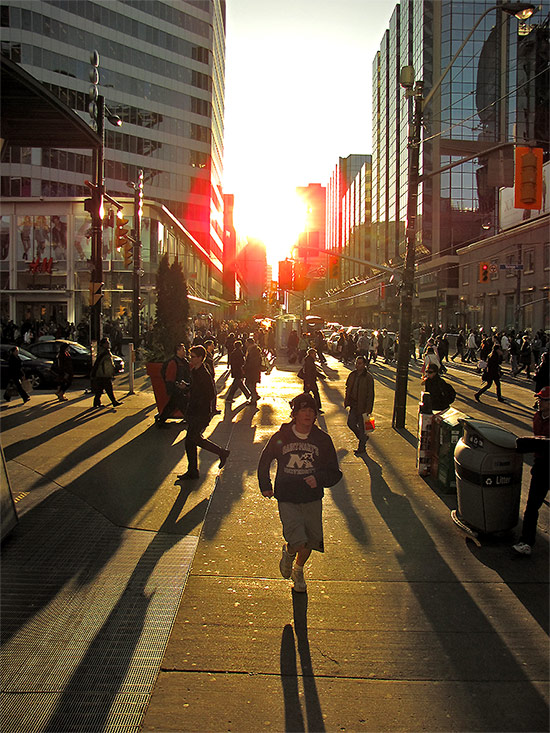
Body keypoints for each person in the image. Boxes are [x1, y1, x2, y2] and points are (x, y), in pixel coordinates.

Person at [258, 392, 342, 593]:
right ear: (294, 414)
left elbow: (334, 471)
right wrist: (265, 484)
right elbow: (265, 460)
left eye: (311, 411)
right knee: (298, 540)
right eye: (303, 410)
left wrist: (319, 479)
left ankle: (298, 569)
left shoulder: (322, 440)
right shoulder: (282, 437)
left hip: (312, 497)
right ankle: (288, 553)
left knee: (310, 541)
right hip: (287, 496)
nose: (307, 414)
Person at [179, 345, 229, 480]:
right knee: (192, 441)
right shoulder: (195, 371)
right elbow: (196, 389)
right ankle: (193, 470)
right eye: (191, 356)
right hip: (195, 411)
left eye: (193, 357)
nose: (191, 358)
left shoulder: (203, 374)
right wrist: (187, 387)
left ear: (200, 358)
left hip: (200, 413)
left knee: (192, 440)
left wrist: (198, 402)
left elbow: (210, 393)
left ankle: (221, 453)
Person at [513, 387, 550, 556]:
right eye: (539, 399)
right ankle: (526, 541)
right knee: (532, 505)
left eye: (543, 400)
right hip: (541, 465)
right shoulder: (537, 417)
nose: (539, 402)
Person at [344, 355, 375, 455]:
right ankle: (363, 438)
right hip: (353, 404)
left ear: (364, 365)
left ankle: (362, 448)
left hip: (363, 406)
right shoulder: (352, 375)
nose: (358, 365)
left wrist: (369, 409)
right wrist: (347, 401)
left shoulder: (368, 377)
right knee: (351, 423)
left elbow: (371, 394)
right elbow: (348, 388)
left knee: (363, 428)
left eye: (360, 363)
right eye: (357, 363)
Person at [155, 343, 190, 428]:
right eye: (183, 349)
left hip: (179, 387)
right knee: (181, 404)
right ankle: (190, 420)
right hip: (176, 388)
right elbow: (170, 377)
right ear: (177, 351)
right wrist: (175, 385)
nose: (185, 351)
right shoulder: (174, 362)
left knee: (173, 405)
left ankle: (161, 420)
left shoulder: (183, 361)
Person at [91, 337, 121, 408]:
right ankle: (113, 402)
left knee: (100, 389)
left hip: (104, 373)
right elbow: (99, 364)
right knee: (108, 389)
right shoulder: (103, 353)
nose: (109, 344)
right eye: (107, 342)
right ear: (103, 344)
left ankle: (96, 403)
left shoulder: (106, 352)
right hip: (103, 374)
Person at [301, 347, 325, 413]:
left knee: (307, 394)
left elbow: (313, 371)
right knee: (314, 394)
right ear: (311, 354)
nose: (315, 355)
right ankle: (317, 408)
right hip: (310, 381)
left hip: (310, 380)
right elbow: (309, 372)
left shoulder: (310, 360)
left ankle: (316, 408)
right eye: (314, 354)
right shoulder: (309, 361)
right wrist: (308, 382)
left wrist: (321, 376)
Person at [244, 336, 263, 404]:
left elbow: (252, 362)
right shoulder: (253, 349)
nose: (245, 344)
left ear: (249, 343)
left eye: (246, 343)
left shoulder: (253, 351)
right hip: (253, 370)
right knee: (251, 384)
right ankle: (255, 396)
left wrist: (246, 367)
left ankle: (253, 398)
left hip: (252, 371)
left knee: (249, 384)